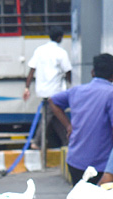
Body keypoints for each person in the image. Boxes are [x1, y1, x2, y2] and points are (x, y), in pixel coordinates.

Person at [48, 53, 113, 186]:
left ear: (92, 72)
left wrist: (68, 126)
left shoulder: (77, 91)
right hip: (101, 166)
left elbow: (53, 101)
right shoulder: (110, 94)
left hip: (75, 161)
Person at [24, 30, 72, 148]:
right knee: (49, 116)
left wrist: (27, 87)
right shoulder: (61, 52)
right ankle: (36, 141)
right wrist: (72, 86)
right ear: (60, 37)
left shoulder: (39, 50)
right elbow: (68, 71)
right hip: (55, 91)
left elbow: (31, 70)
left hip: (42, 90)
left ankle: (67, 141)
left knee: (56, 117)